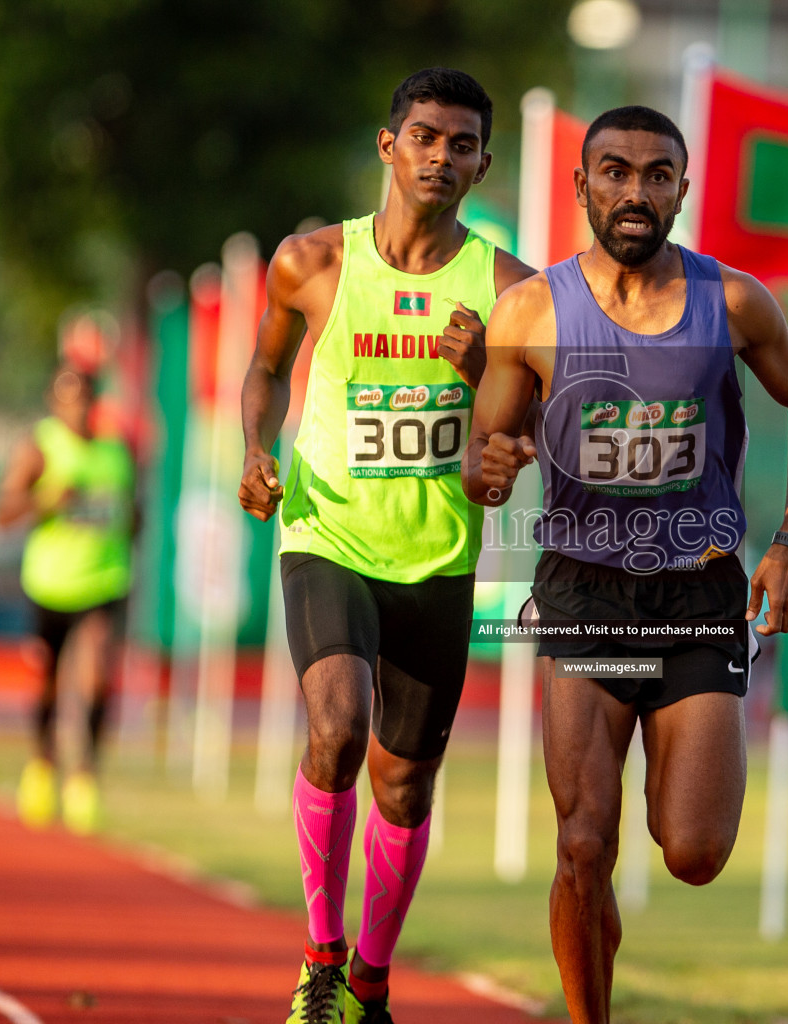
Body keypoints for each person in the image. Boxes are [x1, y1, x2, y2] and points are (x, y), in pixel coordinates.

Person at [462, 105, 788, 1023]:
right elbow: (486, 451)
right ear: (583, 185)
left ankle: (597, 918)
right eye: (616, 172)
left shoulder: (734, 301)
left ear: (682, 188)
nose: (636, 191)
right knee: (584, 844)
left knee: (694, 850)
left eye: (657, 174)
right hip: (586, 595)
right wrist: (492, 464)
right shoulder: (532, 310)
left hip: (698, 595)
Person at [237, 67, 534, 1024]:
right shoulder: (311, 261)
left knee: (403, 787)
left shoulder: (506, 287)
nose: (439, 156)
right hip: (325, 533)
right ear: (388, 145)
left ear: (484, 163)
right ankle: (321, 955)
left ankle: (371, 976)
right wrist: (253, 448)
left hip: (439, 557)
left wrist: (484, 365)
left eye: (460, 144)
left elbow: (529, 426)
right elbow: (266, 366)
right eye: (423, 137)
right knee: (336, 727)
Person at [0, 366, 136, 835]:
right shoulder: (40, 446)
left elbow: (134, 513)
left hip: (103, 582)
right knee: (48, 683)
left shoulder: (116, 452)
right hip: (50, 585)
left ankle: (85, 777)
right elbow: (3, 511)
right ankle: (41, 764)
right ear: (55, 403)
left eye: (84, 398)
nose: (77, 408)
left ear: (94, 401)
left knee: (95, 678)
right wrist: (49, 501)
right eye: (67, 399)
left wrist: (125, 523)